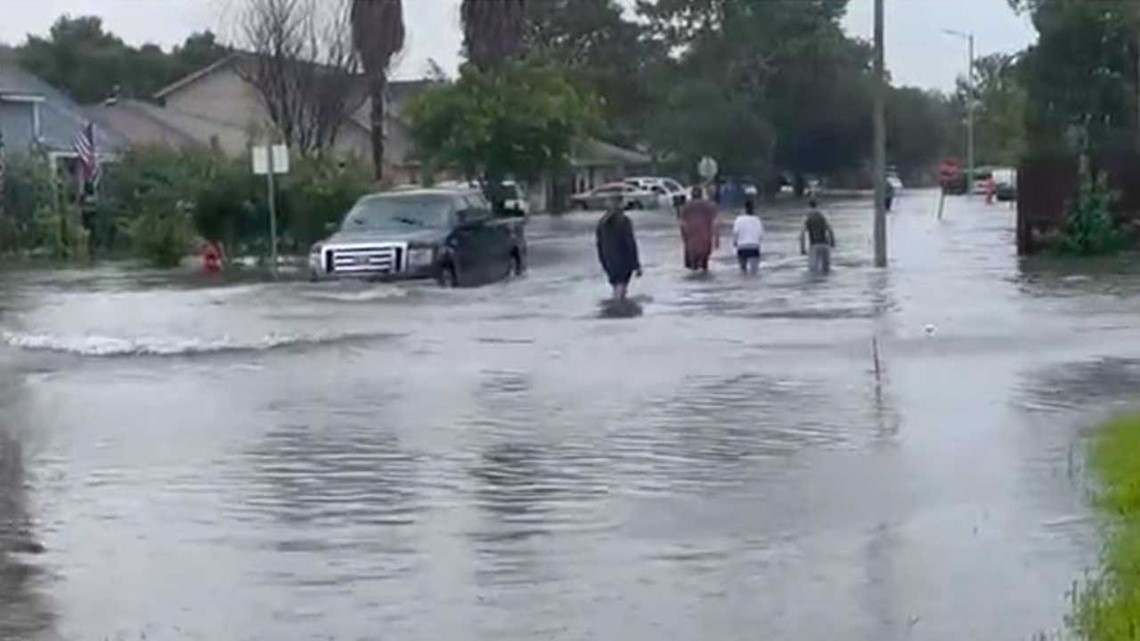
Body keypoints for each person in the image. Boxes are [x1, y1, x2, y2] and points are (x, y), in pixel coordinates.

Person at [596, 196, 642, 301]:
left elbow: (599, 245)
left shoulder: (601, 222)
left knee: (617, 287)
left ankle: (615, 307)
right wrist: (636, 265)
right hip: (623, 262)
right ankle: (618, 308)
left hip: (608, 261)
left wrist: (603, 262)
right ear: (621, 204)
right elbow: (630, 243)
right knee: (621, 288)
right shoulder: (624, 221)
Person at [679, 186, 719, 272]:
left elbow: (683, 225)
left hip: (692, 241)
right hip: (705, 240)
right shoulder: (710, 206)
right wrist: (716, 240)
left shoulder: (686, 207)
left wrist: (684, 238)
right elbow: (715, 224)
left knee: (693, 268)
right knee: (705, 265)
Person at [800, 199, 835, 274]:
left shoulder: (807, 217)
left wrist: (802, 249)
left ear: (808, 207)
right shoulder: (823, 216)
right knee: (826, 271)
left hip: (814, 245)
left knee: (813, 271)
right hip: (825, 245)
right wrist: (832, 243)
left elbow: (802, 234)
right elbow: (830, 230)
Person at [732, 200, 764, 275]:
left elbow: (735, 233)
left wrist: (735, 243)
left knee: (743, 271)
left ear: (744, 209)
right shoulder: (757, 220)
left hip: (742, 247)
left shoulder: (739, 219)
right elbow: (761, 235)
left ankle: (743, 284)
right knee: (754, 272)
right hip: (754, 247)